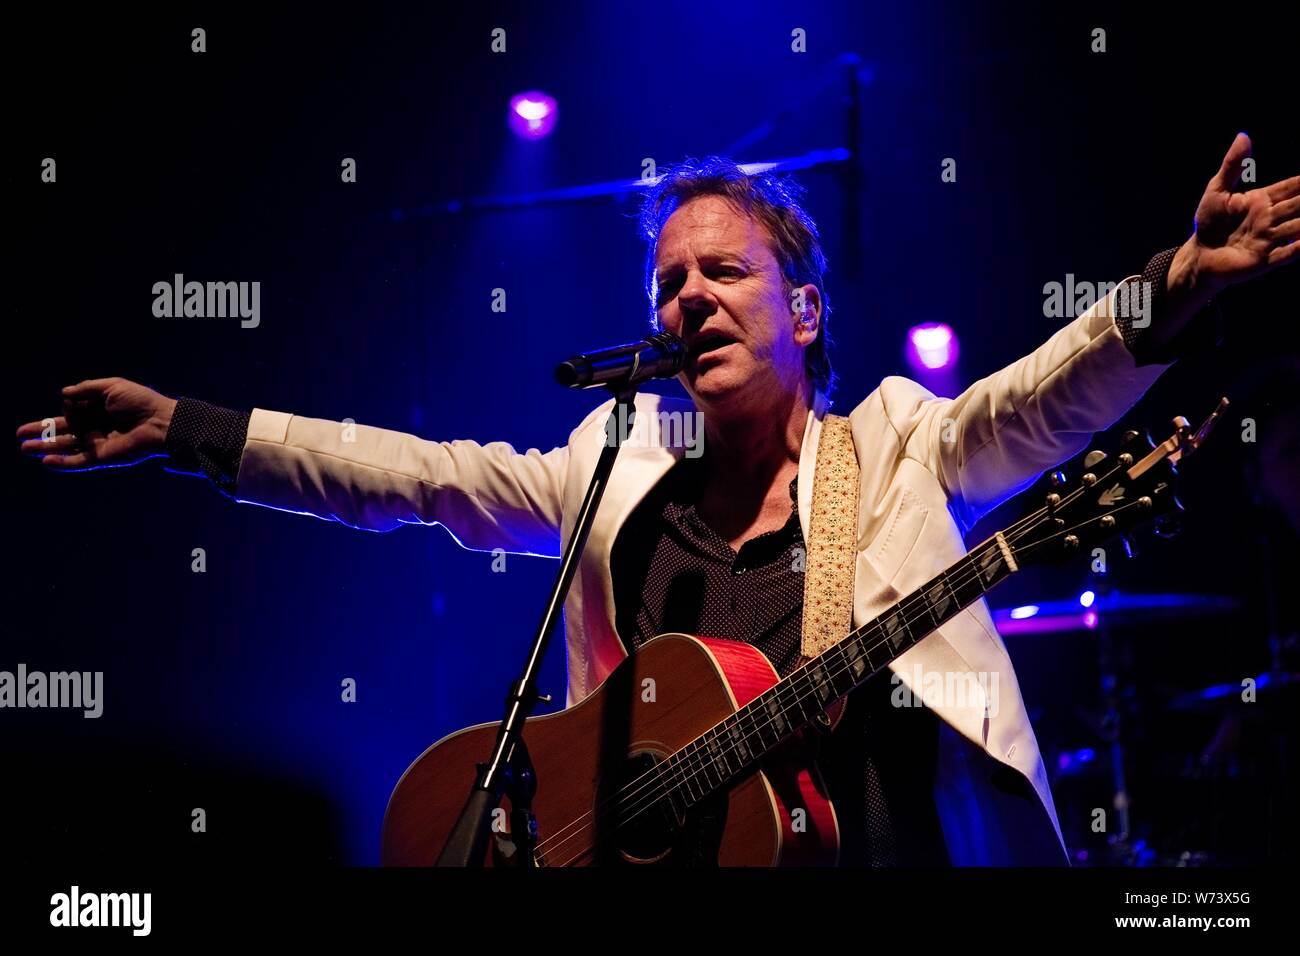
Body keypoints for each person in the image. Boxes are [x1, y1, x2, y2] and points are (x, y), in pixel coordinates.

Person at [17, 139, 1299, 865]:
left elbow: (1048, 390)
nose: (688, 297)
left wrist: (1173, 282)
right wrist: (192, 429)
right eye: (670, 280)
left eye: (724, 271)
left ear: (802, 311)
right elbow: (409, 475)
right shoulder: (612, 466)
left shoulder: (901, 439)